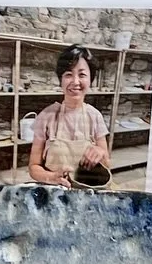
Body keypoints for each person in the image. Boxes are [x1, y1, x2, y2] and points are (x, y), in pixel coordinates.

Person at [28, 46, 111, 186]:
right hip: (55, 190)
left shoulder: (95, 116)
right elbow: (33, 166)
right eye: (68, 74)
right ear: (61, 80)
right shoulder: (46, 116)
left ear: (91, 80)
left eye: (82, 75)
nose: (75, 82)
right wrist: (51, 177)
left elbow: (107, 164)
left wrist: (100, 152)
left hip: (86, 193)